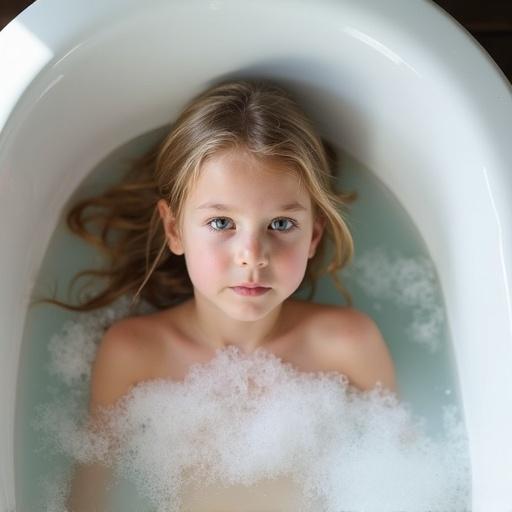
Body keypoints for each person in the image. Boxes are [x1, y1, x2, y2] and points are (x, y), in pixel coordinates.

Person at [33, 77, 397, 511]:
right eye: (222, 223)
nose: (252, 256)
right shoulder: (134, 354)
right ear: (174, 229)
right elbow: (90, 495)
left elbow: (401, 476)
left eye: (281, 224)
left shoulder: (348, 345)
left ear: (314, 235)